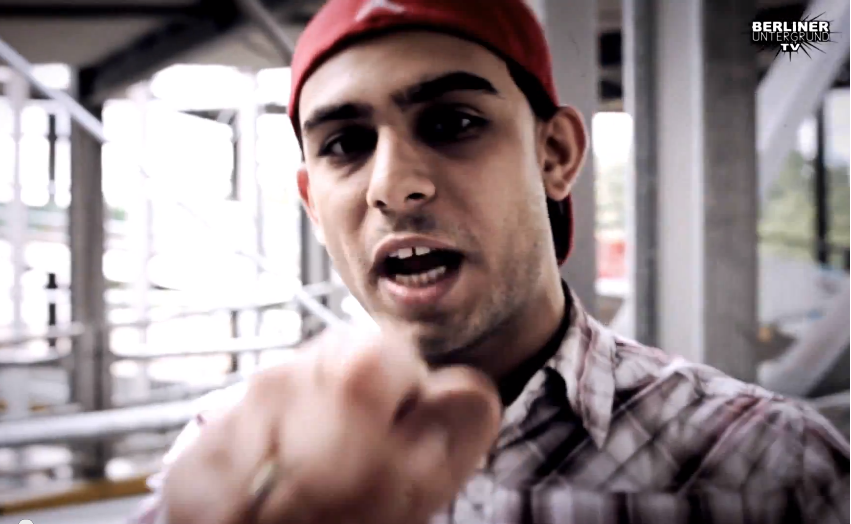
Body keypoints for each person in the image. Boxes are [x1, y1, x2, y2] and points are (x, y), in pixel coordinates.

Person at [131, 0, 850, 523]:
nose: (392, 186)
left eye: (453, 123)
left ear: (555, 155)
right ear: (313, 202)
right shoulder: (232, 460)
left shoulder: (766, 462)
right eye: (345, 144)